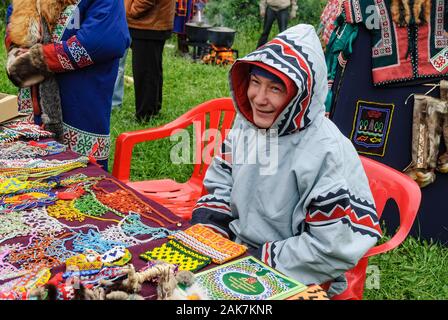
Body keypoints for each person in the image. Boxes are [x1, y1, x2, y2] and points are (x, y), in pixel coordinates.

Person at [191, 24, 381, 297]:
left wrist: (255, 259)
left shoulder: (325, 152)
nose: (259, 98)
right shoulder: (248, 125)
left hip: (296, 271)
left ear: (301, 95)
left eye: (275, 88)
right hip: (237, 248)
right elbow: (222, 179)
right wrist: (213, 227)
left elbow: (330, 247)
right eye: (255, 83)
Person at [5, 0, 131, 169]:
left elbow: (105, 39)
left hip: (80, 102)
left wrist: (40, 60)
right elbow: (14, 22)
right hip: (32, 107)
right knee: (31, 179)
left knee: (82, 178)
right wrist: (15, 51)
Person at [125, 0, 175, 122]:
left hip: (148, 24)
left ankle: (145, 115)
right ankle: (152, 110)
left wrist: (131, 11)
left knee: (145, 72)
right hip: (152, 23)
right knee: (152, 70)